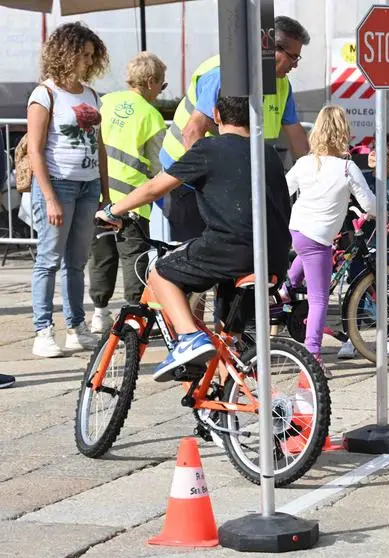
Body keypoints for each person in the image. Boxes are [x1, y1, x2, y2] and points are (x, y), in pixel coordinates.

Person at [95, 96, 292, 382]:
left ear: (215, 115)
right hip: (273, 255)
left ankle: (188, 337)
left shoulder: (208, 149)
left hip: (231, 249)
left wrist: (112, 209)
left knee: (160, 273)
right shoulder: (268, 152)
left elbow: (154, 189)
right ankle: (225, 413)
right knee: (228, 342)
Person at [160, 15, 310, 242]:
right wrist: (211, 188)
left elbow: (298, 139)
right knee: (191, 260)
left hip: (227, 185)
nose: (295, 65)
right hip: (186, 182)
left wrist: (316, 174)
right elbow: (192, 132)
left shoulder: (281, 84)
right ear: (272, 49)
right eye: (293, 57)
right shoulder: (223, 72)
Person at [28, 22, 110, 358]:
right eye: (84, 54)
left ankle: (76, 328)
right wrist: (48, 197)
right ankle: (42, 330)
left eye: (92, 56)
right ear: (66, 53)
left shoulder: (90, 94)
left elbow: (99, 145)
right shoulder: (44, 94)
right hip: (58, 184)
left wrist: (105, 190)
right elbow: (35, 149)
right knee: (48, 259)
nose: (89, 62)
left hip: (88, 185)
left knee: (76, 262)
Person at [281, 106, 377, 377]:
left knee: (307, 253)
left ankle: (288, 288)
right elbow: (369, 202)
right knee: (320, 300)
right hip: (317, 237)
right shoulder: (347, 168)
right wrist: (381, 210)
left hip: (296, 231)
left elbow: (281, 190)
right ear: (343, 133)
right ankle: (312, 356)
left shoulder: (303, 163)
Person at [89, 51, 168, 333]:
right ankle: (135, 317)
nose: (161, 91)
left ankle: (99, 313)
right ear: (150, 81)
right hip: (133, 202)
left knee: (101, 255)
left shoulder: (104, 102)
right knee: (134, 258)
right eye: (162, 85)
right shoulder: (151, 116)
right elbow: (160, 166)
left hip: (98, 195)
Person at [338, 133, 389, 360]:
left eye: (379, 151)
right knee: (354, 291)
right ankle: (350, 338)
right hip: (360, 246)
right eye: (372, 148)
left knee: (388, 293)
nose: (372, 153)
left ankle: (387, 337)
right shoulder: (361, 178)